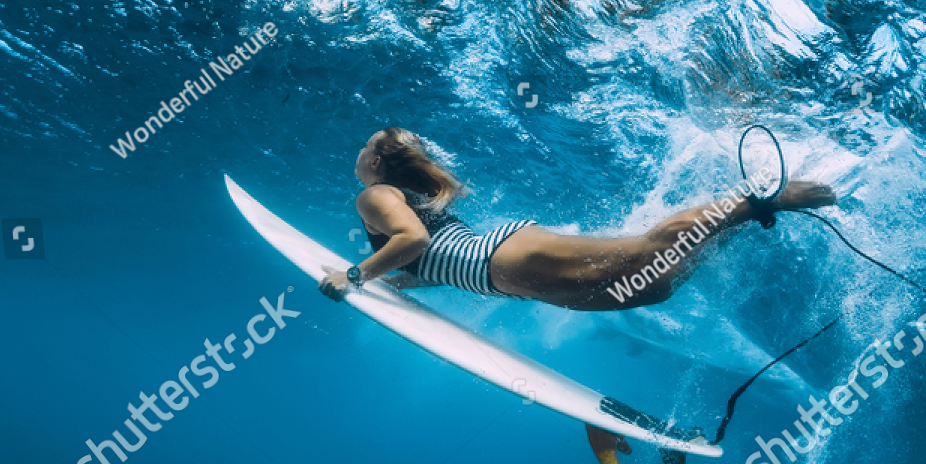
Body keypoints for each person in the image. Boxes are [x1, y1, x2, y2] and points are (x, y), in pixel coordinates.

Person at [317, 127, 836, 310]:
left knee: (648, 251)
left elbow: (411, 240)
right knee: (656, 286)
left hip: (505, 259)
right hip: (505, 274)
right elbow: (427, 256)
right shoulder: (401, 197)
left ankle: (764, 198)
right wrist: (403, 283)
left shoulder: (375, 195)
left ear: (379, 163)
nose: (358, 154)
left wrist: (356, 274)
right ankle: (735, 225)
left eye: (365, 147)